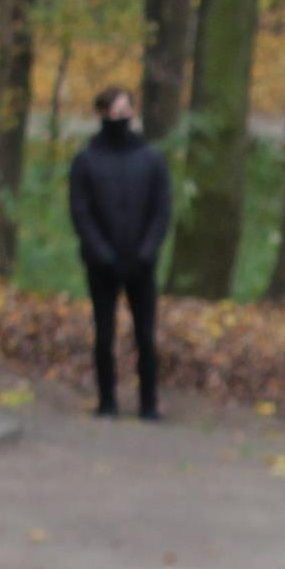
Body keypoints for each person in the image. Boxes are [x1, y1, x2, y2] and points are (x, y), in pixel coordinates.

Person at [68, 87, 172, 420]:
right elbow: (81, 213)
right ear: (100, 114)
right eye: (114, 112)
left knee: (145, 334)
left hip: (142, 263)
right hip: (102, 265)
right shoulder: (86, 161)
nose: (120, 118)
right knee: (104, 333)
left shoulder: (152, 159)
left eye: (125, 110)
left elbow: (161, 210)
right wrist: (102, 254)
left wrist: (147, 251)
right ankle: (107, 400)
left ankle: (148, 402)